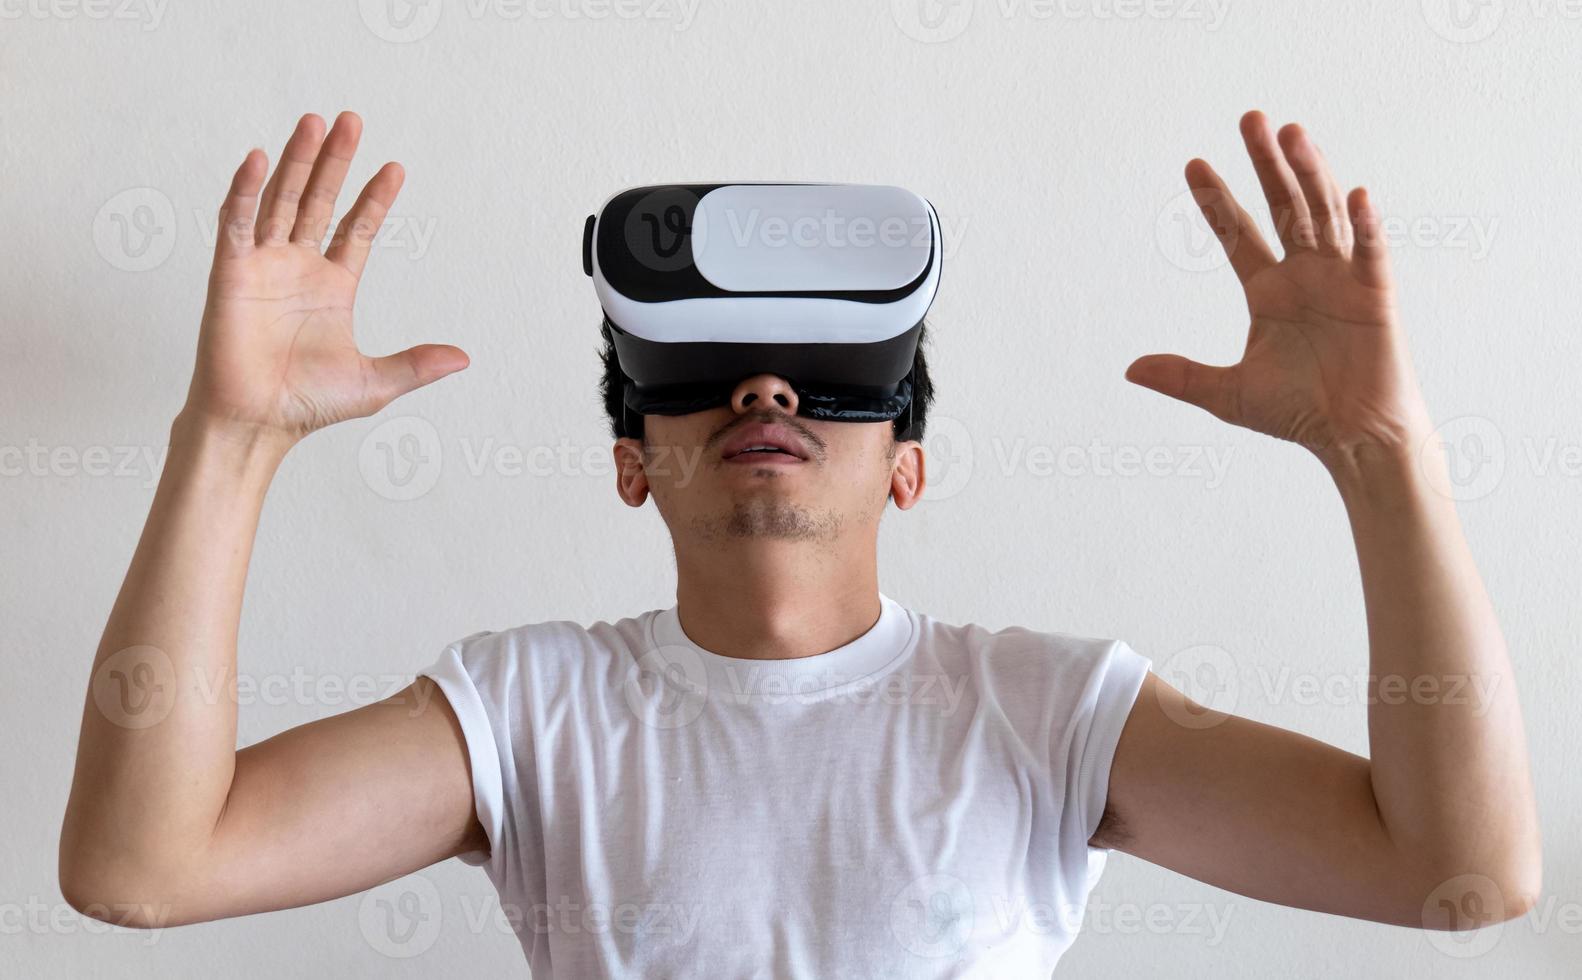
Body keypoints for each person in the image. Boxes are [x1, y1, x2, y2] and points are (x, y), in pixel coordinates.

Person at [58, 109, 1542, 976]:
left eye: (828, 377)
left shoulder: (1046, 710)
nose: (765, 392)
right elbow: (143, 869)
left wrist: (1381, 456)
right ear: (631, 463)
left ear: (906, 465)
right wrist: (231, 440)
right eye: (701, 374)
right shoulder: (525, 714)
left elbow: (1456, 872)